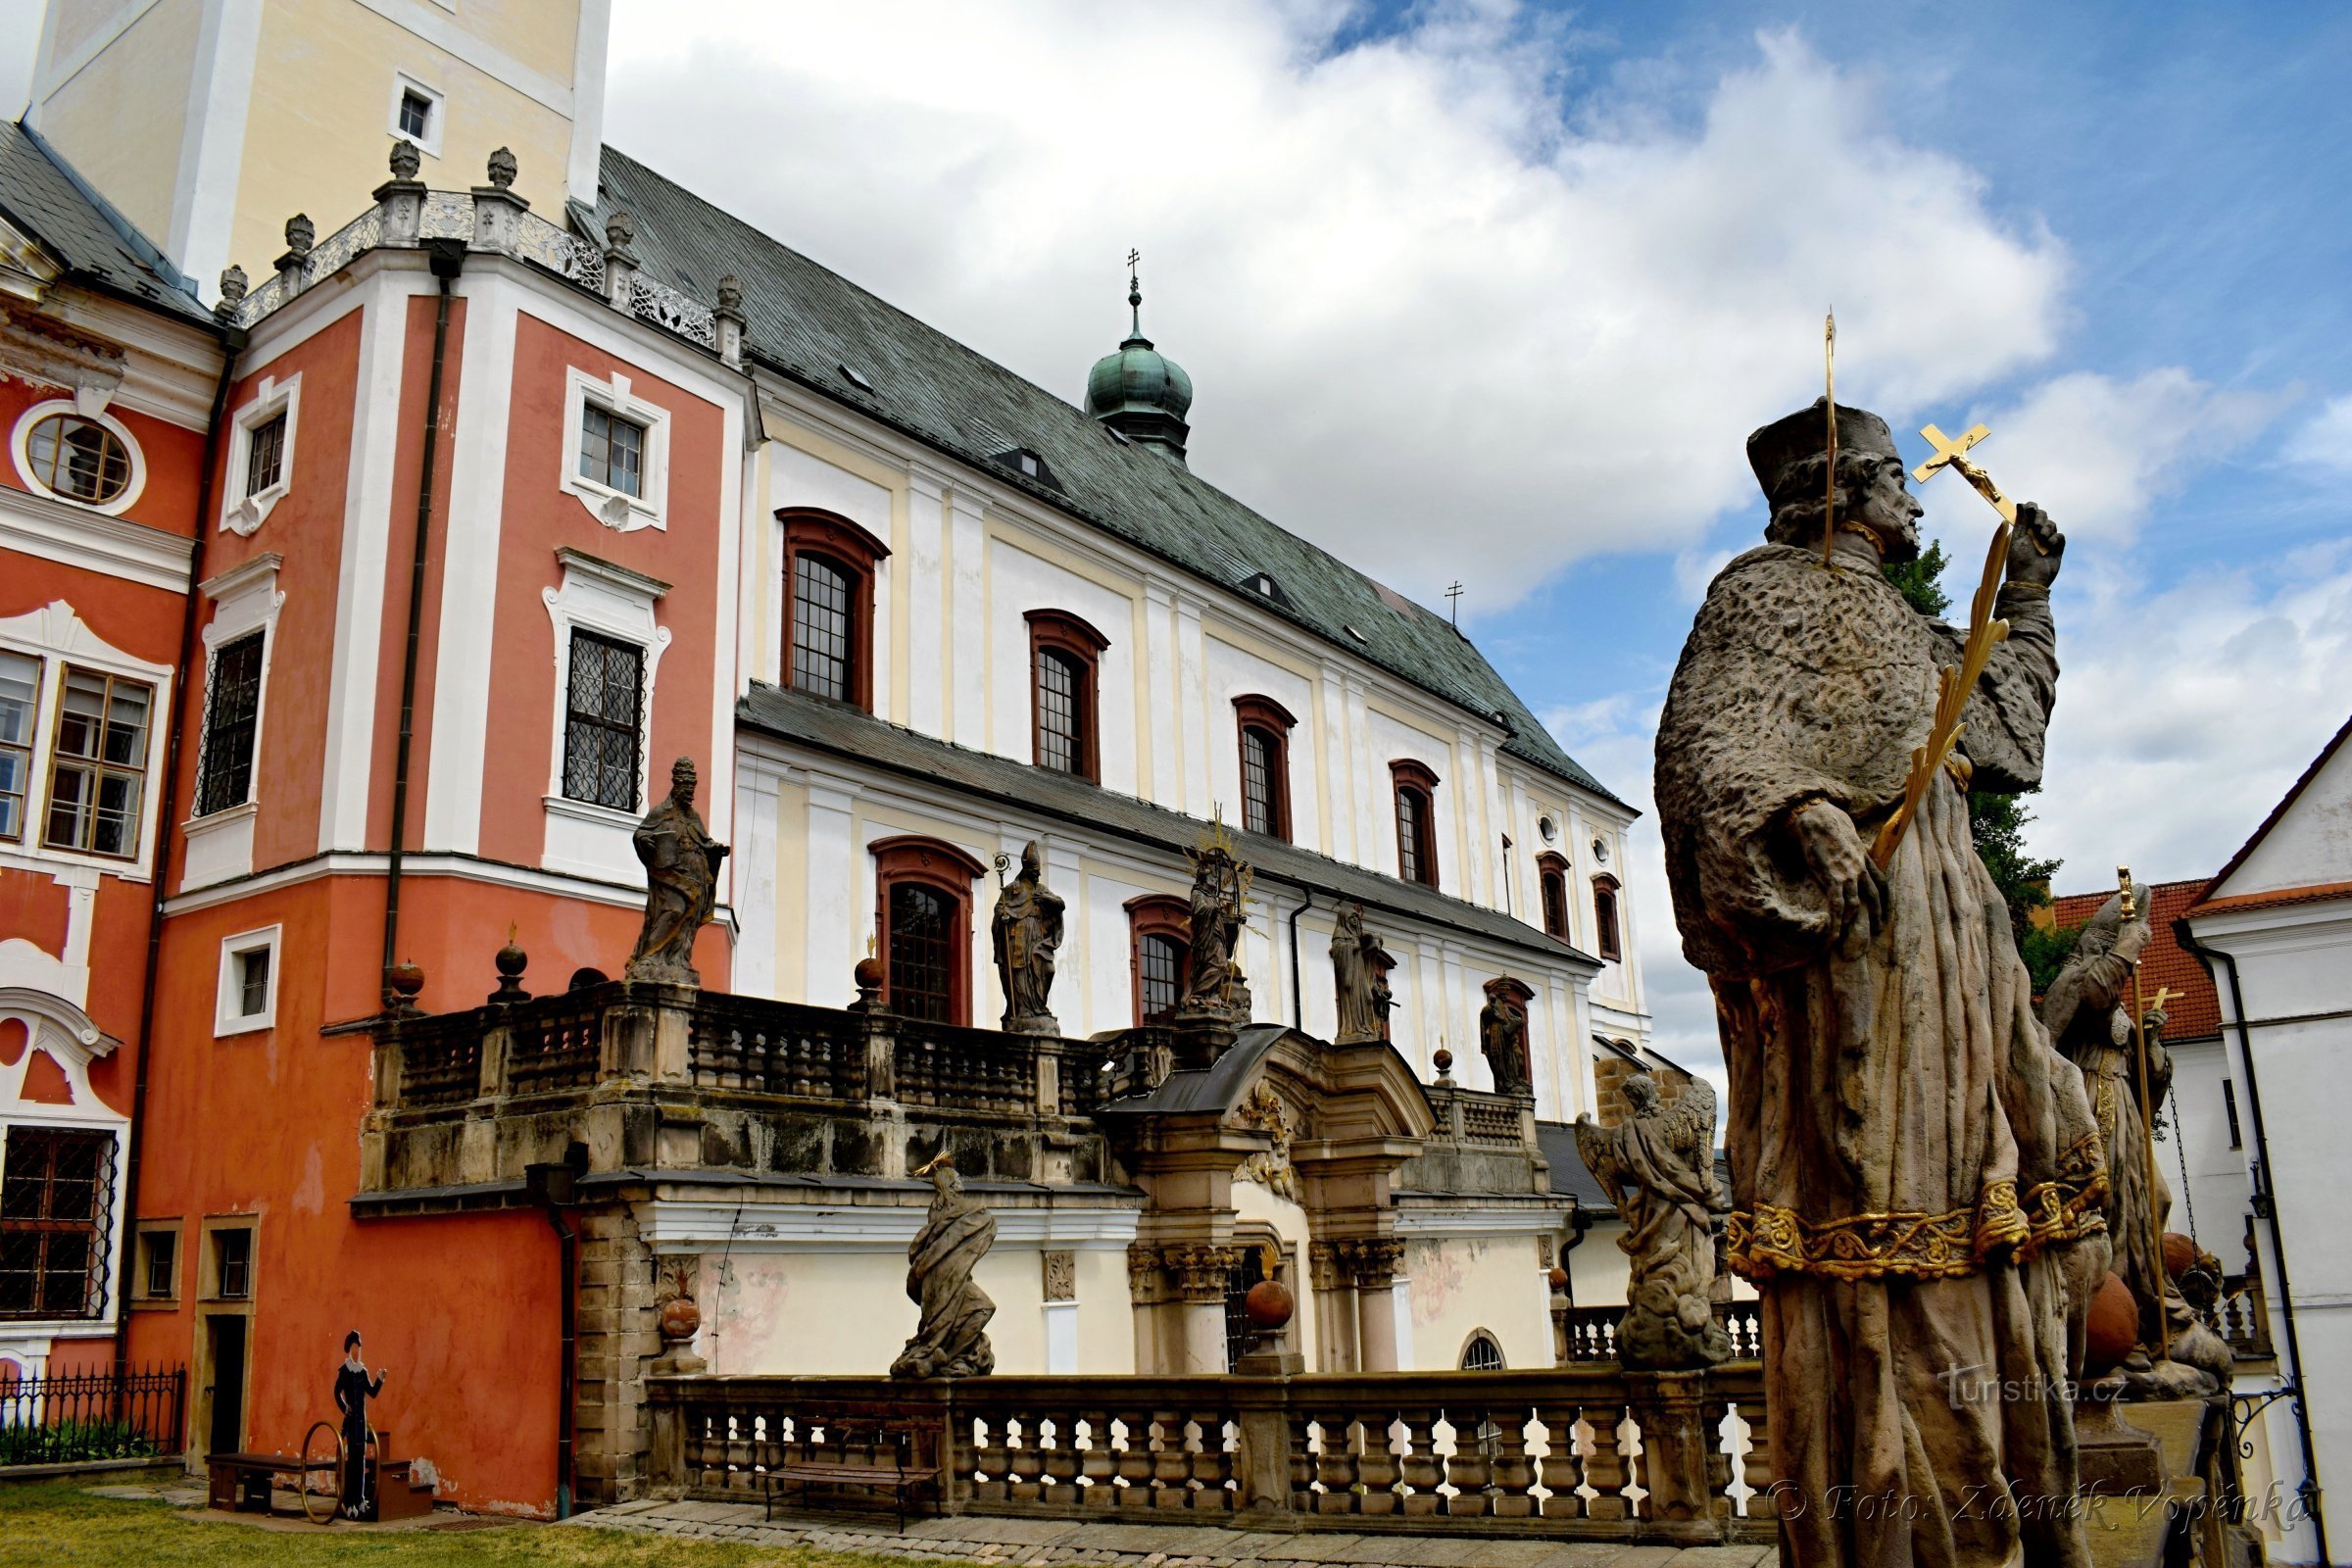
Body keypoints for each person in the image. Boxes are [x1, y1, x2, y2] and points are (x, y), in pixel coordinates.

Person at [1653, 400, 2106, 1568]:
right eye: (1899, 476)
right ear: (1844, 488)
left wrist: (2032, 601)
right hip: (1865, 950)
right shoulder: (1758, 595)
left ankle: (1993, 1478)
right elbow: (1713, 744)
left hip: (1960, 950)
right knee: (1877, 1187)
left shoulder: (1900, 625)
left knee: (1975, 1191)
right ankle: (1895, 1500)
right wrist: (1800, 809)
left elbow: (2000, 738)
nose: (1917, 495)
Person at [626, 757, 729, 984]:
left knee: (689, 919)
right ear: (677, 786)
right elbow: (641, 833)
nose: (691, 793)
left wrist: (715, 848)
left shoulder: (693, 816)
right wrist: (647, 841)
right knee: (673, 909)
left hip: (697, 873)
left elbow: (704, 840)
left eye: (693, 788)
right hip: (672, 874)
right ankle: (650, 957)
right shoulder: (660, 812)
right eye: (687, 788)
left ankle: (678, 960)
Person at [991, 841, 1064, 1032]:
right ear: (1026, 870)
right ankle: (1023, 1011)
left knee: (1047, 970)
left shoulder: (1041, 889)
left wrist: (1046, 899)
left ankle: (1038, 1007)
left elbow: (1060, 904)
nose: (1037, 874)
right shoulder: (1014, 888)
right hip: (1019, 939)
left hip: (1038, 939)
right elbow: (1000, 909)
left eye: (1038, 871)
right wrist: (1003, 918)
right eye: (1034, 871)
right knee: (1019, 974)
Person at [334, 1332, 386, 1519]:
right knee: (351, 1464)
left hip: (361, 1425)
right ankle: (348, 1502)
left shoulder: (362, 1372)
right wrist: (344, 1407)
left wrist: (380, 1380)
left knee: (361, 1463)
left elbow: (371, 1392)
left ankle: (359, 1500)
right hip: (350, 1424)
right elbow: (336, 1392)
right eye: (354, 1347)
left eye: (359, 1348)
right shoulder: (345, 1371)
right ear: (350, 1348)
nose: (357, 1351)